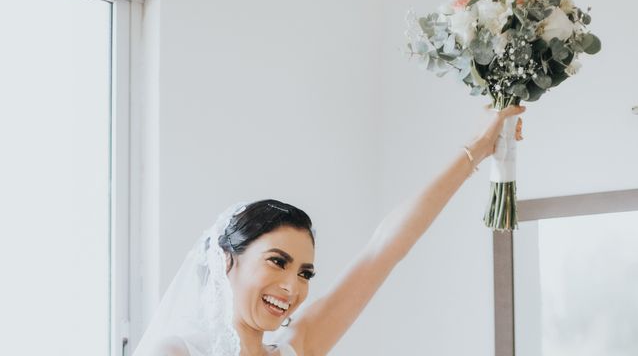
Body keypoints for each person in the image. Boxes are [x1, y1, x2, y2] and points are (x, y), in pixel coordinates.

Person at [132, 105, 525, 356]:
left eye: (304, 273)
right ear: (226, 260)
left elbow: (383, 252)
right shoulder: (176, 351)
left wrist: (478, 146)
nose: (292, 287)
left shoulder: (295, 347)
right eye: (277, 262)